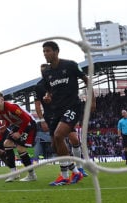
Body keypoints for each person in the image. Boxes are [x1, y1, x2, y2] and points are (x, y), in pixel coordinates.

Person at [37, 41, 95, 186]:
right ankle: (74, 172)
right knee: (55, 145)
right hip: (56, 110)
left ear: (56, 51)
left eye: (48, 51)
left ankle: (64, 176)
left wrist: (92, 101)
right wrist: (48, 97)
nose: (45, 54)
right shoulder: (47, 72)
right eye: (44, 51)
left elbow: (86, 80)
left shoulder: (70, 65)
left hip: (72, 106)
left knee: (58, 135)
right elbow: (49, 90)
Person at [0, 91, 38, 182]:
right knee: (7, 144)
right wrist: (5, 126)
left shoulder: (11, 107)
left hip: (29, 124)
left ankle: (32, 175)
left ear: (2, 100)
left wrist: (19, 132)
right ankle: (14, 173)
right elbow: (8, 118)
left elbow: (26, 119)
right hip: (19, 125)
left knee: (20, 149)